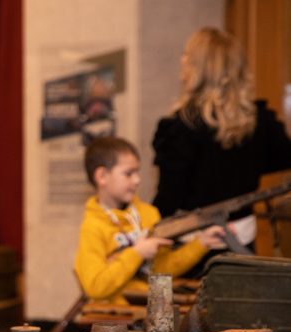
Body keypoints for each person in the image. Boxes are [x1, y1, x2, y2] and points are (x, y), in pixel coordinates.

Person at [152, 27, 291, 255]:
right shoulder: (259, 122)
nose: (181, 60)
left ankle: (158, 289)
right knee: (238, 292)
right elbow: (282, 158)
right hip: (242, 250)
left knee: (160, 288)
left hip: (188, 253)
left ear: (200, 68)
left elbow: (169, 198)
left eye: (187, 55)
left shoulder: (181, 127)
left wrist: (139, 229)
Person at [75, 137, 226, 304]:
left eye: (137, 172)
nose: (137, 180)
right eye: (128, 173)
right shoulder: (93, 227)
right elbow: (95, 288)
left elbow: (163, 269)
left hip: (152, 307)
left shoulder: (149, 214)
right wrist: (137, 253)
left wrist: (201, 243)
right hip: (116, 319)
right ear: (102, 176)